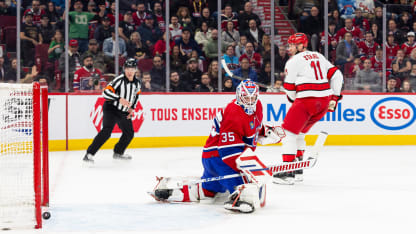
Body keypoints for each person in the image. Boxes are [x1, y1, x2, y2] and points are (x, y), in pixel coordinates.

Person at [151, 80, 283, 213]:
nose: (249, 101)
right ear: (239, 95)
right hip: (219, 157)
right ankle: (238, 198)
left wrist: (266, 132)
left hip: (215, 157)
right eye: (246, 97)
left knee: (207, 192)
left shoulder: (257, 106)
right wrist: (250, 169)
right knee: (249, 191)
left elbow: (251, 126)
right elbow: (228, 151)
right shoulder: (233, 112)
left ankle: (176, 193)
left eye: (252, 97)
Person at [275, 33, 343, 185]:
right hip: (324, 101)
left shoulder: (292, 61)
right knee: (299, 132)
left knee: (289, 133)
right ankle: (298, 170)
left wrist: (293, 98)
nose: (289, 48)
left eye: (292, 45)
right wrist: (335, 97)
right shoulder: (318, 56)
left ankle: (287, 172)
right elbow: (337, 75)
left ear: (301, 46)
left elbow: (291, 90)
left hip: (306, 101)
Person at [83, 58, 141, 163]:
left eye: (132, 68)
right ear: (124, 69)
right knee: (106, 131)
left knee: (129, 133)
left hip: (123, 111)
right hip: (111, 108)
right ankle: (89, 154)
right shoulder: (119, 80)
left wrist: (132, 108)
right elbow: (105, 93)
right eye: (127, 68)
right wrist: (119, 99)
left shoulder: (137, 83)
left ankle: (118, 152)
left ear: (136, 70)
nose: (129, 71)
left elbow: (136, 96)